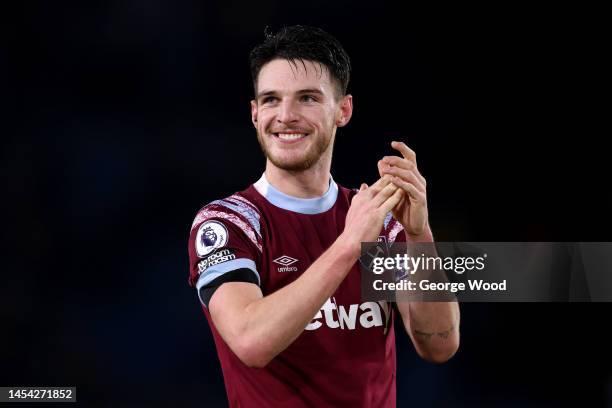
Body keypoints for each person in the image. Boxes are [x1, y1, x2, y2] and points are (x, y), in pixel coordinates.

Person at [187, 25, 460, 407]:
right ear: (254, 113)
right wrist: (349, 245)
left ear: (343, 110)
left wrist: (419, 235)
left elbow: (440, 345)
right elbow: (250, 341)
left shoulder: (376, 222)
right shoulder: (230, 222)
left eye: (307, 98)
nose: (285, 116)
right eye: (270, 100)